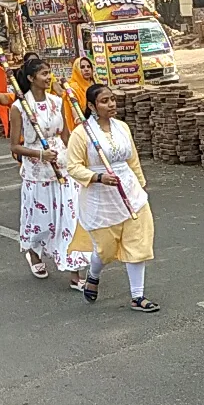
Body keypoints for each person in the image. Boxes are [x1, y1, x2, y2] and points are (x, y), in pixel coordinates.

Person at [66, 84, 159, 312]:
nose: (111, 105)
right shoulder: (82, 133)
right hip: (101, 197)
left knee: (138, 242)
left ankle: (137, 296)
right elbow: (72, 167)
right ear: (91, 106)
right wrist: (97, 177)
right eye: (104, 101)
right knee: (105, 250)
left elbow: (132, 159)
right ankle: (94, 274)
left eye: (112, 100)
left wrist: (140, 184)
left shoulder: (122, 128)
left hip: (129, 193)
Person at [10, 58, 90, 289]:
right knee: (42, 221)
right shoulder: (20, 107)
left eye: (50, 73)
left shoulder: (57, 101)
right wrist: (39, 154)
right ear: (31, 78)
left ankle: (76, 273)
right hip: (38, 172)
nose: (49, 78)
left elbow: (65, 136)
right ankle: (34, 253)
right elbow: (14, 146)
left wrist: (77, 158)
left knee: (70, 220)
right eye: (44, 74)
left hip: (62, 168)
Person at [60, 55, 96, 132]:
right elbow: (76, 115)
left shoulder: (96, 85)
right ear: (76, 69)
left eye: (88, 66)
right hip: (83, 127)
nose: (86, 69)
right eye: (82, 67)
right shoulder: (72, 89)